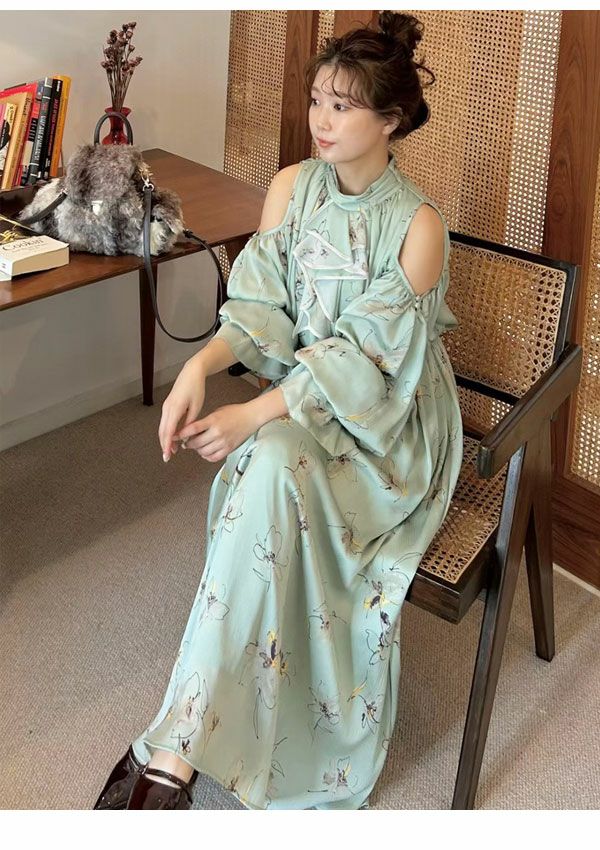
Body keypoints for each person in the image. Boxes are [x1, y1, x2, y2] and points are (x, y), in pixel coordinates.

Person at [94, 10, 463, 811]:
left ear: (391, 120)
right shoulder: (292, 188)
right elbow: (259, 309)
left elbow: (362, 367)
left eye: (343, 106)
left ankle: (172, 751)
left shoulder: (419, 229)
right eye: (317, 99)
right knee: (268, 464)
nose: (321, 120)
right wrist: (197, 368)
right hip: (301, 405)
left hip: (386, 429)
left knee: (264, 454)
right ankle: (182, 748)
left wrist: (255, 412)